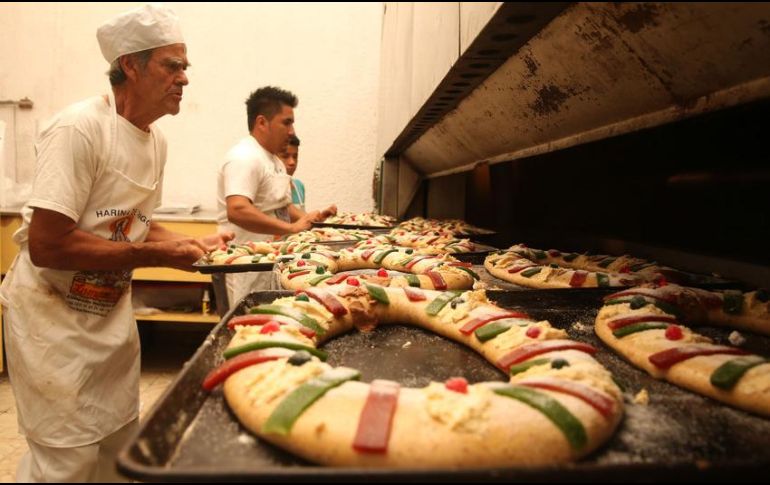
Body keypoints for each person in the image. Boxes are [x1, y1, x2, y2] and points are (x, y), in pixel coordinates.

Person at [0, 5, 232, 482]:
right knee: (65, 461)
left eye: (185, 67)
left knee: (116, 449)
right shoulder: (79, 128)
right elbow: (47, 244)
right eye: (173, 65)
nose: (184, 79)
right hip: (53, 324)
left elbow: (135, 226)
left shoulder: (154, 142)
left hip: (108, 322)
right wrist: (154, 255)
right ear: (131, 64)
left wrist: (200, 245)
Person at [216, 86, 336, 308]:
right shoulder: (244, 157)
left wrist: (313, 222)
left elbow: (282, 206)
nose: (292, 131)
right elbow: (238, 209)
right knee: (247, 327)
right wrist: (290, 229)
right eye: (286, 122)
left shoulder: (272, 160)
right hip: (245, 267)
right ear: (262, 122)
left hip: (270, 262)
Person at [279, 134, 306, 211]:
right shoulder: (269, 187)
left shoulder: (299, 185)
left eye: (295, 156)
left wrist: (321, 217)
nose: (292, 162)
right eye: (285, 156)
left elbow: (303, 219)